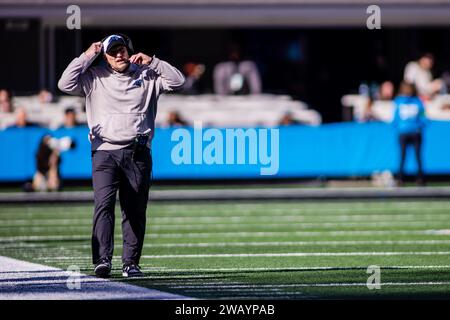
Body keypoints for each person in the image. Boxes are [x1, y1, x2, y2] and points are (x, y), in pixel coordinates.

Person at [58, 34, 185, 278]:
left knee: (134, 210)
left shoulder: (146, 74)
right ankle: (102, 259)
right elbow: (65, 83)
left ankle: (131, 263)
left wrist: (153, 62)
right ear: (104, 56)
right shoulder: (94, 77)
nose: (119, 54)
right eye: (113, 51)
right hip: (104, 151)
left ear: (129, 51)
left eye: (122, 49)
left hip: (137, 152)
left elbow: (179, 81)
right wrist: (86, 56)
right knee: (103, 205)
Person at [392, 82, 426, 186]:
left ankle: (420, 179)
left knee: (418, 156)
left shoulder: (418, 102)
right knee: (402, 156)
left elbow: (423, 116)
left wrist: (419, 126)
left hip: (415, 133)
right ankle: (400, 179)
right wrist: (399, 128)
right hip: (403, 133)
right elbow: (395, 118)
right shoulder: (398, 101)